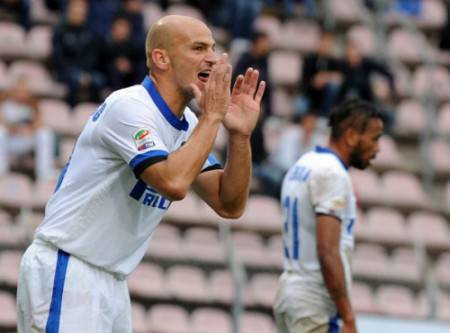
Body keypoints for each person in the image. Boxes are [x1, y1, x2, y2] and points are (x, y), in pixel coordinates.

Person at [17, 15, 265, 332]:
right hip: (69, 267)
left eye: (214, 48)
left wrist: (240, 136)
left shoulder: (188, 125)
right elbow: (173, 183)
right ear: (161, 58)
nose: (213, 58)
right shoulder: (130, 107)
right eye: (199, 48)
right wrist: (213, 118)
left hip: (112, 280)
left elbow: (229, 204)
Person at [273, 98, 384, 333]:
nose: (378, 148)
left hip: (291, 296)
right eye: (374, 138)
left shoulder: (304, 163)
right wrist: (348, 316)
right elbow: (327, 250)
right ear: (352, 136)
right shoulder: (332, 174)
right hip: (315, 304)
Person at [52, 0, 106, 105]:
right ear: (69, 11)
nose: (79, 14)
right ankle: (71, 111)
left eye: (81, 12)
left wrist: (86, 74)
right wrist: (79, 74)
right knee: (75, 80)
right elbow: (58, 58)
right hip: (66, 71)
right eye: (76, 11)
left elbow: (93, 56)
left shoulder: (90, 32)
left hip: (87, 71)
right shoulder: (60, 31)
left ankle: (94, 113)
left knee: (99, 80)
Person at [0, 77, 55, 180]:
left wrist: (30, 130)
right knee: (0, 132)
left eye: (24, 90)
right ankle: (1, 170)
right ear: (13, 90)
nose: (21, 93)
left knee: (45, 133)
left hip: (27, 140)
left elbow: (39, 123)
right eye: (18, 90)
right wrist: (15, 129)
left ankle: (44, 173)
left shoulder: (33, 105)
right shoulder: (4, 104)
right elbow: (2, 122)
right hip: (10, 141)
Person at [296, 30, 342, 117]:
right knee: (299, 103)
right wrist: (315, 81)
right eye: (323, 41)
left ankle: (325, 115)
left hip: (325, 96)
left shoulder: (334, 61)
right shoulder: (309, 59)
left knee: (334, 86)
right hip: (309, 94)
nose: (325, 45)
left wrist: (325, 77)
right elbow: (306, 80)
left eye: (328, 42)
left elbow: (339, 77)